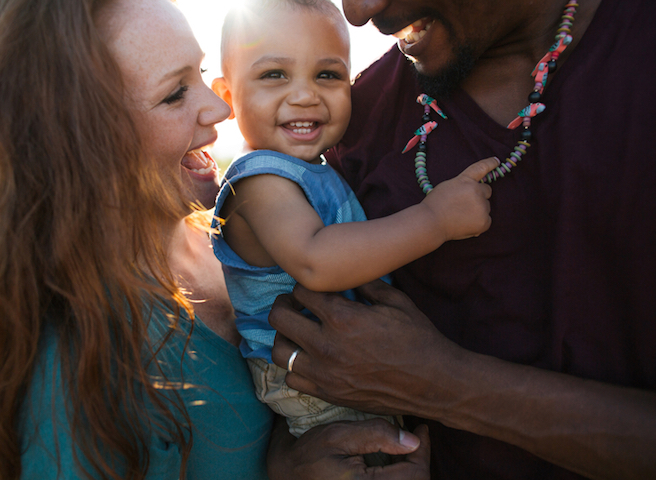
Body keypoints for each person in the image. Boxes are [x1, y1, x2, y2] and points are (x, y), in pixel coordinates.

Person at [0, 0, 429, 479]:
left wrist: (284, 456)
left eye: (201, 73)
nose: (219, 107)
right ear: (75, 143)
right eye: (175, 93)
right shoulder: (75, 365)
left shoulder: (231, 236)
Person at [269, 0, 656, 478]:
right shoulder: (358, 115)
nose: (359, 10)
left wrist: (443, 385)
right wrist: (289, 457)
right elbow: (297, 340)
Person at [209, 0, 496, 443]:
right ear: (228, 98)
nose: (305, 95)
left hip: (338, 360)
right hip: (310, 377)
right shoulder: (258, 182)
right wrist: (435, 220)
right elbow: (316, 260)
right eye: (274, 75)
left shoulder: (307, 170)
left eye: (327, 75)